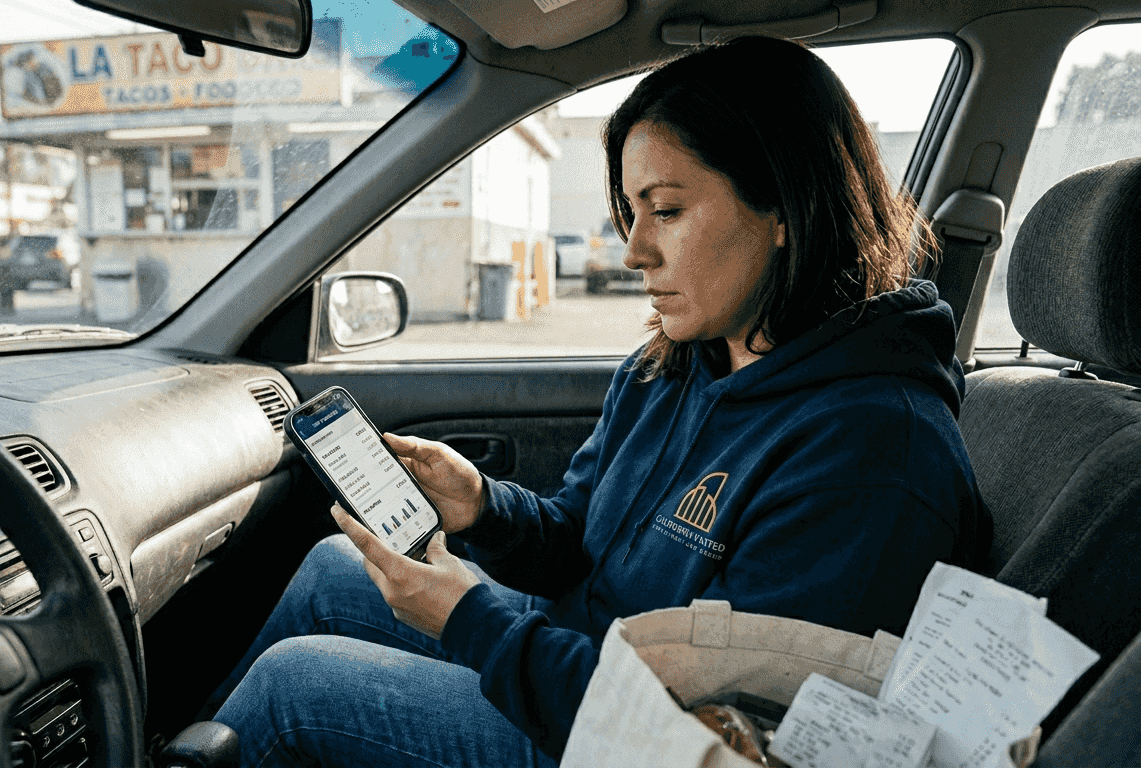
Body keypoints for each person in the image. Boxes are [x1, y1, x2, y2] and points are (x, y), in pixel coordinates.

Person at [207, 35, 990, 767]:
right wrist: (483, 508)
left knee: (292, 687)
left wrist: (472, 622)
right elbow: (580, 539)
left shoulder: (874, 455)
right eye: (631, 211)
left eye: (669, 211)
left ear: (783, 207)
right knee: (331, 566)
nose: (632, 251)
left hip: (627, 738)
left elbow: (723, 737)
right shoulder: (674, 368)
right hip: (579, 659)